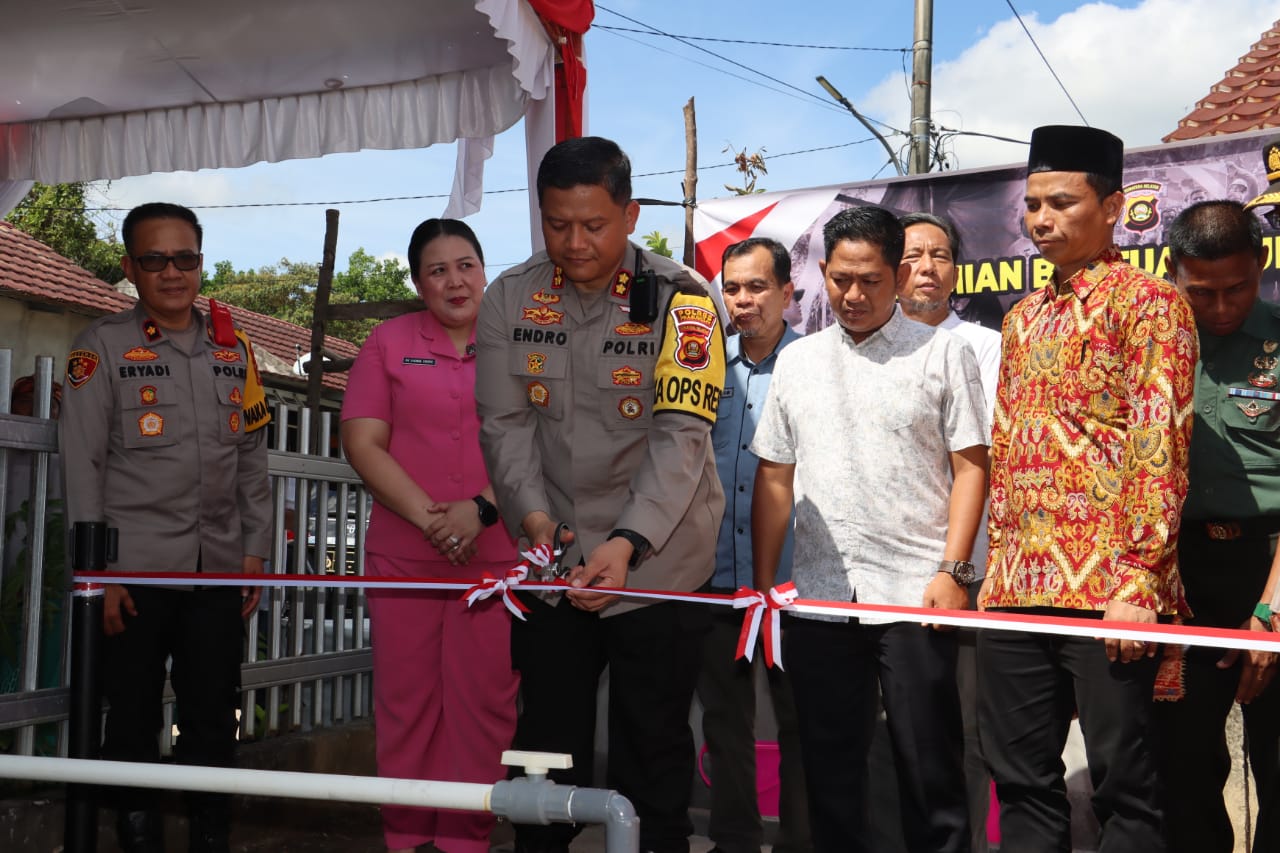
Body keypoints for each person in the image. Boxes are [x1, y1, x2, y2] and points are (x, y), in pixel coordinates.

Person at [475, 135, 725, 853]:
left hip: (658, 560)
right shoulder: (509, 298)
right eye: (558, 225)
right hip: (554, 560)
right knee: (545, 752)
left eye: (594, 224)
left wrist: (625, 541)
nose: (575, 242)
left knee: (653, 750)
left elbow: (681, 435)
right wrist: (535, 520)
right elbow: (504, 422)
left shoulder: (686, 300)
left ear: (630, 215)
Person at [977, 125, 1198, 853]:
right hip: (1018, 589)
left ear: (1112, 208)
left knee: (1125, 787)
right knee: (1021, 780)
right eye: (1033, 203)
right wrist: (997, 566)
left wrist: (1139, 574)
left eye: (1062, 202)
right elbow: (1007, 447)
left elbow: (1158, 444)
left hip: (1111, 589)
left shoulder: (1151, 305)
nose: (1042, 219)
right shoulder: (1020, 317)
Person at [752, 205, 988, 853]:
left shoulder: (945, 352)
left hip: (917, 596)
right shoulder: (797, 363)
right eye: (841, 279)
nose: (853, 295)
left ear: (899, 273)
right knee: (829, 770)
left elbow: (973, 467)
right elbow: (775, 477)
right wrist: (765, 584)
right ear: (823, 271)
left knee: (928, 769)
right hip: (820, 600)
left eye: (871, 280)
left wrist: (954, 569)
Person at [59, 202, 272, 853]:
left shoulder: (236, 352)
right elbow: (83, 465)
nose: (172, 272)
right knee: (130, 718)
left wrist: (255, 554)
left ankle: (211, 835)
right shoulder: (100, 347)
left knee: (213, 719)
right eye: (155, 259)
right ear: (130, 267)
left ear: (201, 262)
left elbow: (252, 462)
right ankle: (136, 836)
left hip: (215, 571)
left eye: (185, 258)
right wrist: (101, 575)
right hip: (134, 574)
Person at [341, 218, 518, 853]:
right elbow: (362, 441)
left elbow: (542, 442)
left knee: (484, 706)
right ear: (418, 281)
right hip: (404, 555)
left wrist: (481, 511)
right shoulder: (387, 342)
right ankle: (407, 840)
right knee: (406, 703)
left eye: (466, 264)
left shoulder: (517, 343)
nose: (454, 280)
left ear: (484, 268)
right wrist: (432, 520)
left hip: (495, 555)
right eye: (437, 269)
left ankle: (466, 842)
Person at [1153, 198, 1280, 853]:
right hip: (1180, 575)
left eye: (1238, 288)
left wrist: (1271, 608)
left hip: (1271, 564)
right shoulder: (1150, 343)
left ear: (1260, 266)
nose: (1222, 305)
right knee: (1181, 761)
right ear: (1174, 272)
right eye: (1203, 291)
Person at [698, 237, 810, 853]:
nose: (743, 301)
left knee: (801, 726)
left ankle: (801, 842)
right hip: (716, 582)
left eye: (757, 287)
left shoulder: (816, 363)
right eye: (732, 288)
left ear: (789, 291)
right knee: (723, 722)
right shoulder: (704, 367)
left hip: (794, 588)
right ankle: (733, 841)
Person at [898, 212, 1001, 853]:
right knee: (891, 731)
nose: (927, 267)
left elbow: (989, 461)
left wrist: (962, 569)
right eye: (912, 255)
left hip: (969, 574)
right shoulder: (862, 349)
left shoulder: (990, 347)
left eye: (940, 255)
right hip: (885, 577)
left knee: (965, 732)